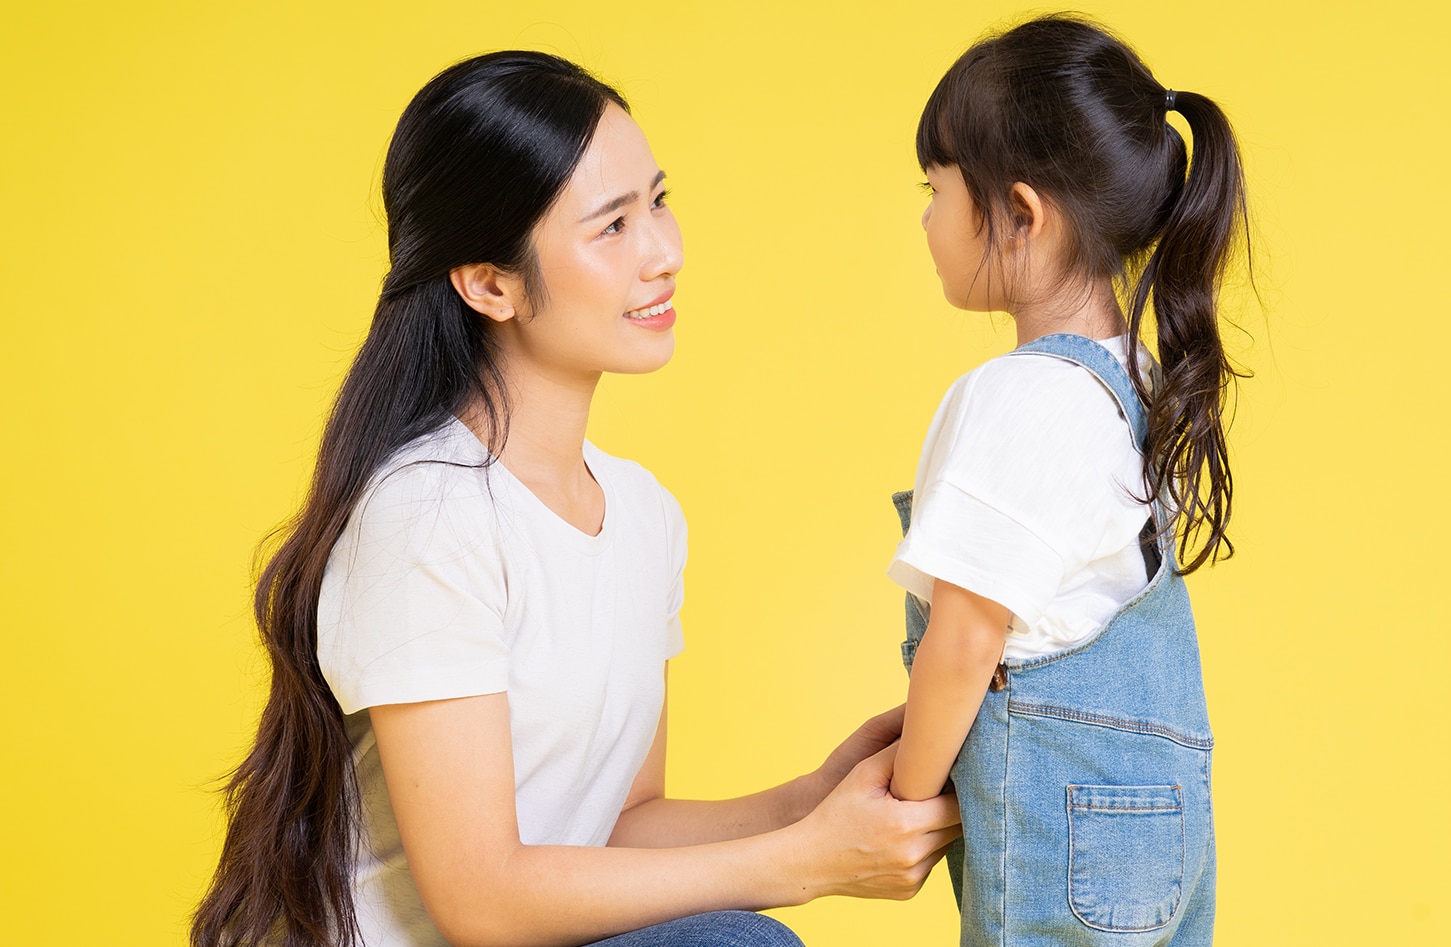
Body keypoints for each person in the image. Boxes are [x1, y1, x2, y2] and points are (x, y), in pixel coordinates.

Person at [192, 51, 960, 947]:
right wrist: (804, 863)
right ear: (490, 283)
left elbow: (621, 826)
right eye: (612, 226)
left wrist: (812, 799)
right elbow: (480, 899)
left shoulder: (643, 515)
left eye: (660, 202)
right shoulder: (426, 519)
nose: (664, 253)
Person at [885, 15, 1247, 946]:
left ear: (1020, 212)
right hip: (1161, 835)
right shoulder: (1133, 380)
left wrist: (902, 800)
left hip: (1069, 843)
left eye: (934, 190)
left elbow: (965, 641)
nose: (924, 220)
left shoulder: (1023, 396)